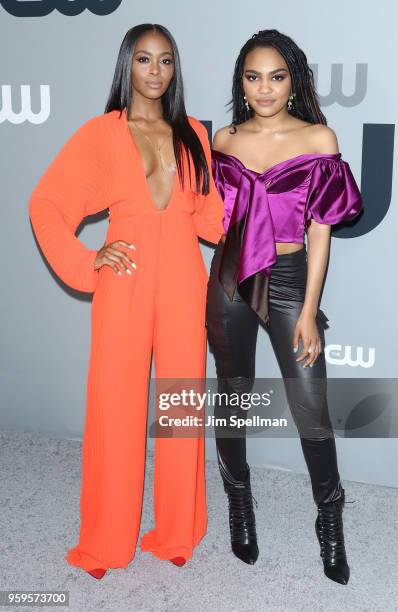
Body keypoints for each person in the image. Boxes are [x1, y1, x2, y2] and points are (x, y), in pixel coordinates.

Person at [29, 24, 224, 579]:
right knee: (115, 409)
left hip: (187, 282)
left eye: (165, 61)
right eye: (144, 59)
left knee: (181, 406)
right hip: (126, 280)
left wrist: (262, 195)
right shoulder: (102, 132)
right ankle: (105, 542)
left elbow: (211, 222)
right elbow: (46, 204)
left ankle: (177, 532)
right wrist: (87, 258)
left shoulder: (192, 134)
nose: (155, 71)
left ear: (174, 69)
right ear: (127, 65)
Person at [206, 29, 362, 585]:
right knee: (232, 394)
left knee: (310, 405)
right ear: (241, 83)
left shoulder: (319, 139)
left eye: (276, 76)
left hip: (293, 279)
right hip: (229, 278)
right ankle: (239, 501)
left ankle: (330, 516)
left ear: (292, 80)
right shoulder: (222, 139)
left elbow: (321, 231)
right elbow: (206, 216)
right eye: (253, 77)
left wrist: (308, 308)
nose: (265, 88)